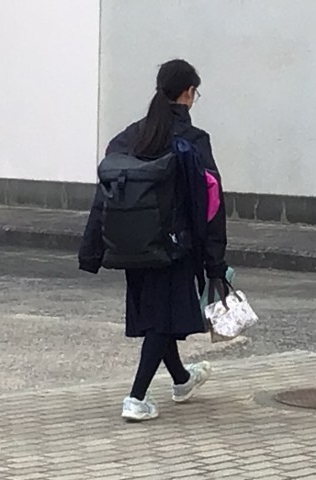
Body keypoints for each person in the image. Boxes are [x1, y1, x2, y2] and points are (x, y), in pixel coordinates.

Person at [78, 59, 228, 421]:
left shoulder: (131, 136)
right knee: (161, 322)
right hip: (174, 246)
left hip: (132, 242)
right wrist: (215, 261)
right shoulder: (192, 141)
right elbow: (211, 205)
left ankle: (182, 380)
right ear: (189, 93)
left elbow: (107, 191)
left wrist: (93, 247)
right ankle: (136, 398)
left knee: (161, 315)